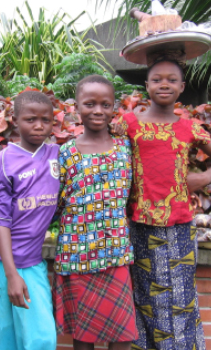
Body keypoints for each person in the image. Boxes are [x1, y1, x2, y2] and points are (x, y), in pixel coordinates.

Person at [116, 59, 211, 350]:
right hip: (138, 226)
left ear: (182, 87)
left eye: (171, 80)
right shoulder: (129, 123)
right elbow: (100, 148)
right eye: (156, 79)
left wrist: (203, 176)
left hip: (178, 227)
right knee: (143, 296)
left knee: (179, 299)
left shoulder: (189, 127)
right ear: (146, 87)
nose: (163, 84)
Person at [0, 91, 60, 350]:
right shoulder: (3, 160)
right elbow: (1, 219)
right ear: (14, 120)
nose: (39, 126)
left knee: (41, 337)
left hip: (31, 259)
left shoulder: (56, 155)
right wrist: (10, 274)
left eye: (46, 120)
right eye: (31, 119)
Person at [52, 75, 138, 350]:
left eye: (105, 104)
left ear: (114, 107)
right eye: (89, 104)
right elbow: (50, 199)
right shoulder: (65, 153)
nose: (98, 110)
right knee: (83, 336)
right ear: (76, 107)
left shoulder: (126, 148)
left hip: (115, 252)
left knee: (122, 334)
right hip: (78, 252)